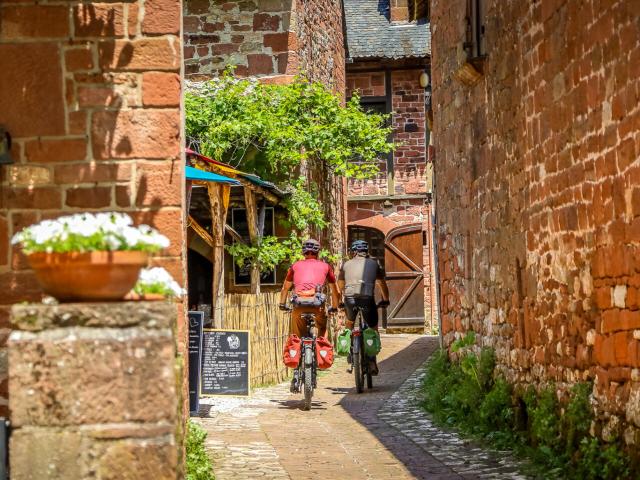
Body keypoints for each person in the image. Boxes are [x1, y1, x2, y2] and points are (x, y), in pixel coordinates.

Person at [338, 239, 390, 375]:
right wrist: (386, 300)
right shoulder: (374, 264)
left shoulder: (345, 264)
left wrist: (340, 301)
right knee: (373, 327)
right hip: (367, 300)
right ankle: (372, 360)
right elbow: (382, 284)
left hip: (350, 299)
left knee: (349, 323)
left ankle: (349, 350)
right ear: (366, 252)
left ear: (353, 252)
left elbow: (340, 286)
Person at [279, 238, 340, 338]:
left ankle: (297, 348)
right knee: (322, 328)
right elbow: (336, 291)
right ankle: (321, 348)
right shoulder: (325, 266)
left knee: (296, 337)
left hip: (299, 304)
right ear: (318, 252)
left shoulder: (295, 266)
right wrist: (334, 308)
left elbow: (285, 288)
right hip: (317, 305)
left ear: (303, 252)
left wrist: (282, 304)